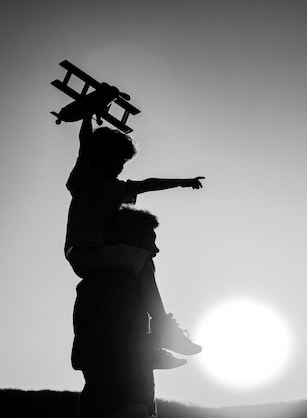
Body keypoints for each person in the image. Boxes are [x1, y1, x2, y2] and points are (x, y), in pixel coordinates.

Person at [65, 108, 203, 356]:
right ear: (101, 157)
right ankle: (162, 329)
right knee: (143, 263)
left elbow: (148, 184)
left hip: (96, 253)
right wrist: (87, 114)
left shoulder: (115, 188)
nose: (120, 167)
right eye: (117, 161)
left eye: (123, 163)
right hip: (85, 253)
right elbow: (85, 146)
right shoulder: (85, 178)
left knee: (136, 268)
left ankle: (149, 341)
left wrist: (182, 181)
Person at [72, 207, 176, 418]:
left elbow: (81, 356)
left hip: (101, 400)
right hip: (123, 402)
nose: (155, 251)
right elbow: (112, 343)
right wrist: (157, 338)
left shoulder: (93, 284)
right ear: (133, 241)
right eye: (151, 241)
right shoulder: (120, 284)